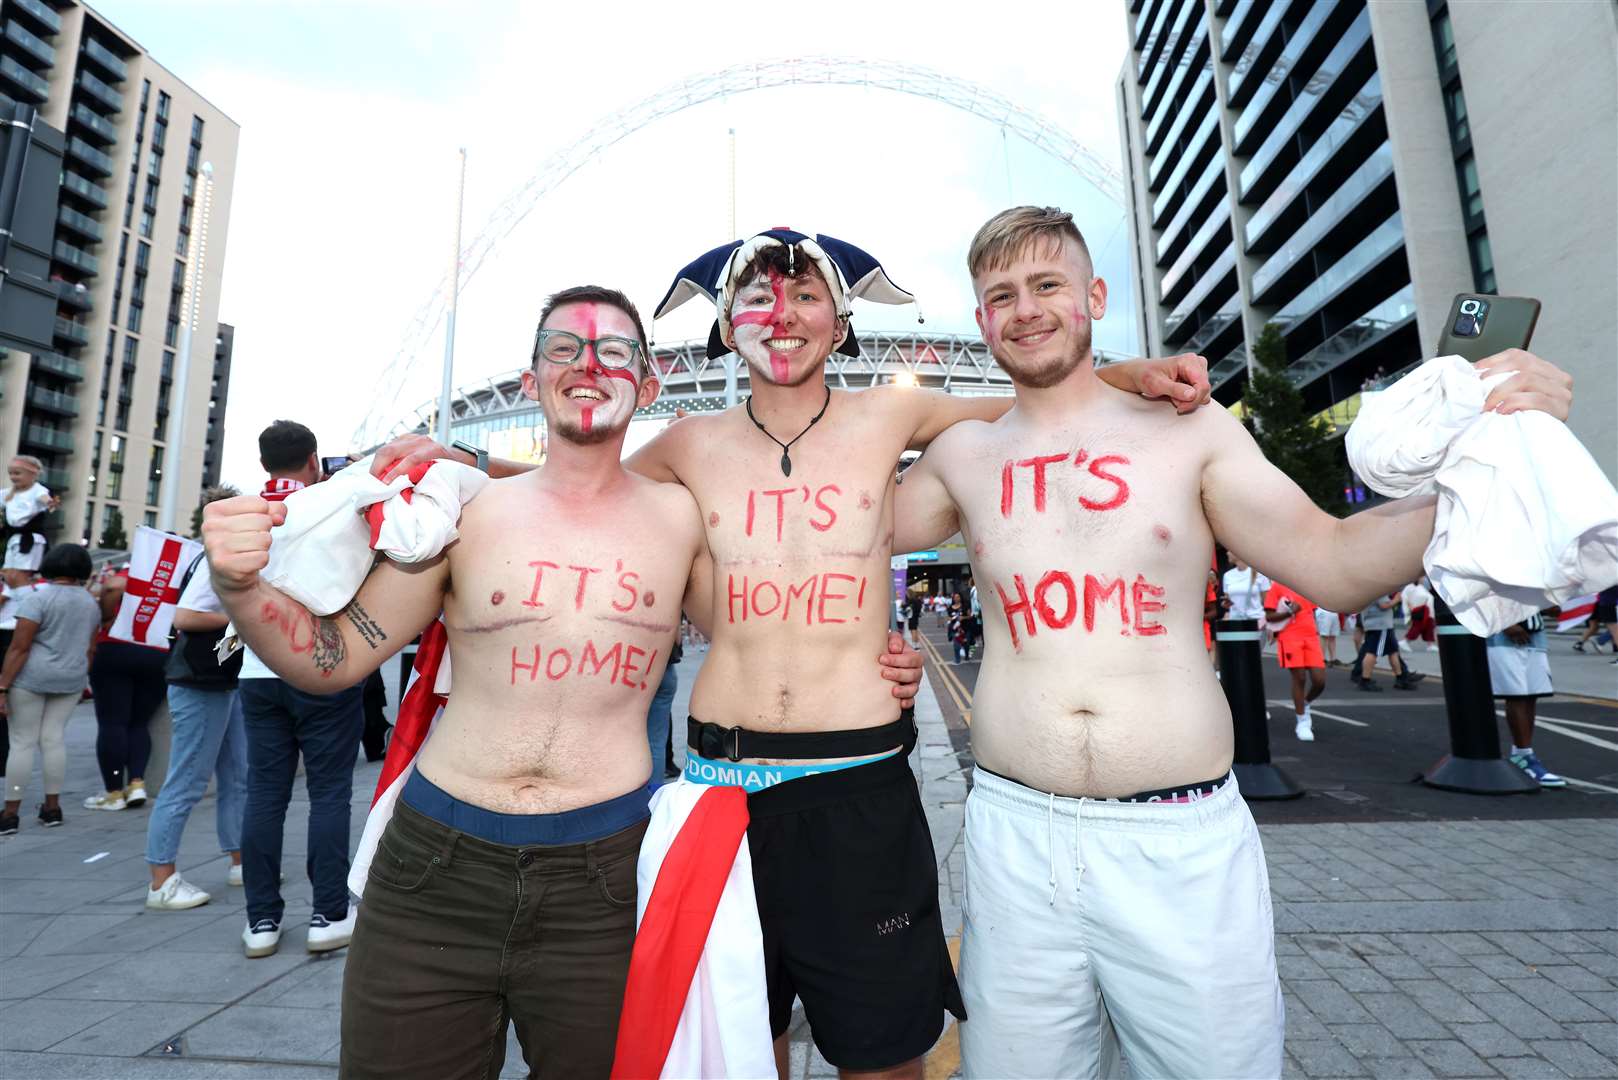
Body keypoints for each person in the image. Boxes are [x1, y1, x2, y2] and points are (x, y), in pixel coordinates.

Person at [373, 229, 1208, 1078]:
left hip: (856, 791)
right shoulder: (689, 444)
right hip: (718, 802)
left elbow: (1036, 402)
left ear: (839, 321)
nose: (782, 314)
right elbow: (582, 482)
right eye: (760, 298)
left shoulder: (893, 413)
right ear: (727, 323)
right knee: (738, 1052)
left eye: (806, 296)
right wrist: (464, 460)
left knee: (881, 1054)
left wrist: (1130, 376)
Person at [892, 205, 1574, 1078]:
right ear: (981, 319)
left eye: (1047, 285)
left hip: (1176, 845)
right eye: (1001, 296)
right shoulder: (962, 456)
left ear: (1093, 296)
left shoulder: (1189, 430)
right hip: (1017, 841)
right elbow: (838, 525)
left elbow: (1330, 558)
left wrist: (1499, 455)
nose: (1025, 309)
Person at [216, 286, 923, 1078]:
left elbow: (776, 628)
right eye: (565, 350)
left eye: (615, 352)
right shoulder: (467, 513)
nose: (588, 366)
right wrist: (243, 588)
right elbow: (336, 658)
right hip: (437, 870)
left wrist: (882, 654)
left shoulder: (680, 521)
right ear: (532, 380)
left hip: (607, 881)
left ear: (647, 387)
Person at [235, 420, 368, 959]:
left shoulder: (246, 514)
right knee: (329, 794)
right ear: (314, 459)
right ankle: (327, 914)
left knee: (264, 795)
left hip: (256, 670)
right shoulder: (332, 508)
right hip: (323, 664)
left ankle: (261, 921)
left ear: (264, 462)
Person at [144, 489, 249, 911]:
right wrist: (243, 617)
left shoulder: (213, 556)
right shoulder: (213, 560)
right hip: (200, 680)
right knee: (186, 781)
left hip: (218, 679)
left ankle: (241, 861)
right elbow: (185, 617)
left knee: (236, 774)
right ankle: (161, 881)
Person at [0, 544, 99, 834]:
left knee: (22, 742)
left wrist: (3, 685)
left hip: (32, 677)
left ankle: (10, 813)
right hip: (70, 677)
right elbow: (91, 647)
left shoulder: (38, 599)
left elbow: (20, 647)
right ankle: (52, 808)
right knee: (54, 740)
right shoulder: (89, 603)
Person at [84, 563, 168, 810]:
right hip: (158, 652)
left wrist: (107, 616)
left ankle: (113, 793)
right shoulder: (178, 576)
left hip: (117, 645)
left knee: (113, 722)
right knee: (139, 723)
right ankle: (136, 784)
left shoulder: (143, 568)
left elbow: (112, 586)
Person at [1488, 611, 1565, 786]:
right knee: (1517, 696)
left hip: (1535, 637)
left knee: (1531, 696)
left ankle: (1522, 754)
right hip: (1502, 638)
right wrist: (1504, 623)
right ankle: (1524, 756)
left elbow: (1554, 608)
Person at [1264, 581, 1326, 741]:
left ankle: (1304, 704)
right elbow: (1269, 615)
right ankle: (1302, 721)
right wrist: (1290, 612)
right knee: (1300, 677)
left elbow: (1312, 611)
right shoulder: (1277, 587)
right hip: (1290, 637)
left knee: (1319, 681)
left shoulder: (1305, 585)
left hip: (1310, 637)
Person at [1352, 592, 1421, 691]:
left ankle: (1400, 678)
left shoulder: (1369, 587)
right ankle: (1365, 680)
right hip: (1380, 625)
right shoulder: (1378, 588)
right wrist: (1397, 599)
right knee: (1372, 652)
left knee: (1393, 652)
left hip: (1379, 624)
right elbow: (1384, 605)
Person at [2, 455, 55, 573]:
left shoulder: (37, 490)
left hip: (31, 540)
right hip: (13, 538)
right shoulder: (7, 493)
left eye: (17, 473)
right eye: (10, 473)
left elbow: (44, 498)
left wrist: (49, 502)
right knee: (8, 573)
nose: (13, 477)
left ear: (32, 475)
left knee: (21, 574)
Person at [647, 636, 684, 785]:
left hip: (637, 667)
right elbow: (677, 638)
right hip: (665, 668)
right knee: (656, 741)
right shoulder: (667, 611)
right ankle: (655, 793)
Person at [1221, 556, 1270, 623]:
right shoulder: (1227, 575)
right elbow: (1228, 600)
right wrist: (1225, 604)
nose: (1227, 553)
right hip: (1235, 621)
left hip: (1257, 620)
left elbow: (1267, 602)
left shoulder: (1259, 573)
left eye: (1229, 550)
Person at [1573, 584, 1618, 652]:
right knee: (1597, 627)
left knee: (1606, 627)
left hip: (1597, 605)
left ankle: (1614, 646)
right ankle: (1582, 643)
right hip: (1596, 605)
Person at [1403, 577, 1437, 649]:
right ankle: (1405, 641)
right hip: (1419, 610)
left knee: (1429, 627)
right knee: (1417, 627)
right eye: (1421, 578)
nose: (1423, 580)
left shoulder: (1421, 587)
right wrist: (1409, 607)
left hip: (1427, 611)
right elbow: (1405, 597)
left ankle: (1430, 645)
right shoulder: (1409, 587)